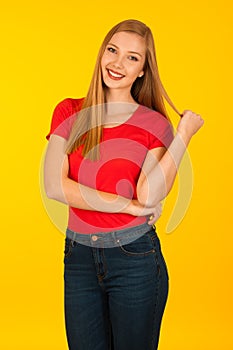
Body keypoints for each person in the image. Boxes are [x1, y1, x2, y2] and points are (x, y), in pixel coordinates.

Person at [44, 19, 204, 350]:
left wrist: (184, 134)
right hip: (79, 257)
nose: (117, 63)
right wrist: (128, 205)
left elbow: (149, 194)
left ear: (144, 70)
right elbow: (55, 187)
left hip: (134, 259)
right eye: (113, 50)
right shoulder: (69, 110)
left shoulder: (154, 124)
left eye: (132, 58)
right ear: (102, 52)